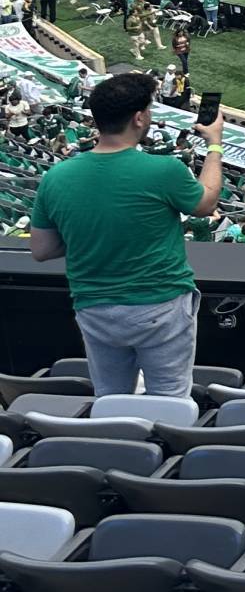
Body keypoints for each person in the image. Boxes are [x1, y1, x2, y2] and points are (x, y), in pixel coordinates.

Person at [26, 71, 223, 397]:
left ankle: (116, 447)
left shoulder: (56, 177)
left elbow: (42, 249)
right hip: (160, 304)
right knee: (170, 400)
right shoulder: (164, 170)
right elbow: (206, 203)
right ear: (139, 117)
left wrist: (94, 233)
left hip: (94, 308)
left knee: (110, 399)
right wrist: (214, 144)